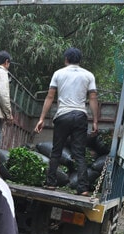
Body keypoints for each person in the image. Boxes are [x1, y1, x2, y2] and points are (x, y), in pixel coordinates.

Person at [34, 47, 99, 196]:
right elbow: (93, 98)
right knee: (79, 153)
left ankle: (51, 183)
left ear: (66, 60)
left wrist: (42, 118)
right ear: (80, 60)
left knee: (56, 151)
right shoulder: (88, 75)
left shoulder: (58, 74)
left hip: (62, 115)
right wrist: (95, 121)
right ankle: (83, 188)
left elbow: (50, 97)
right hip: (80, 116)